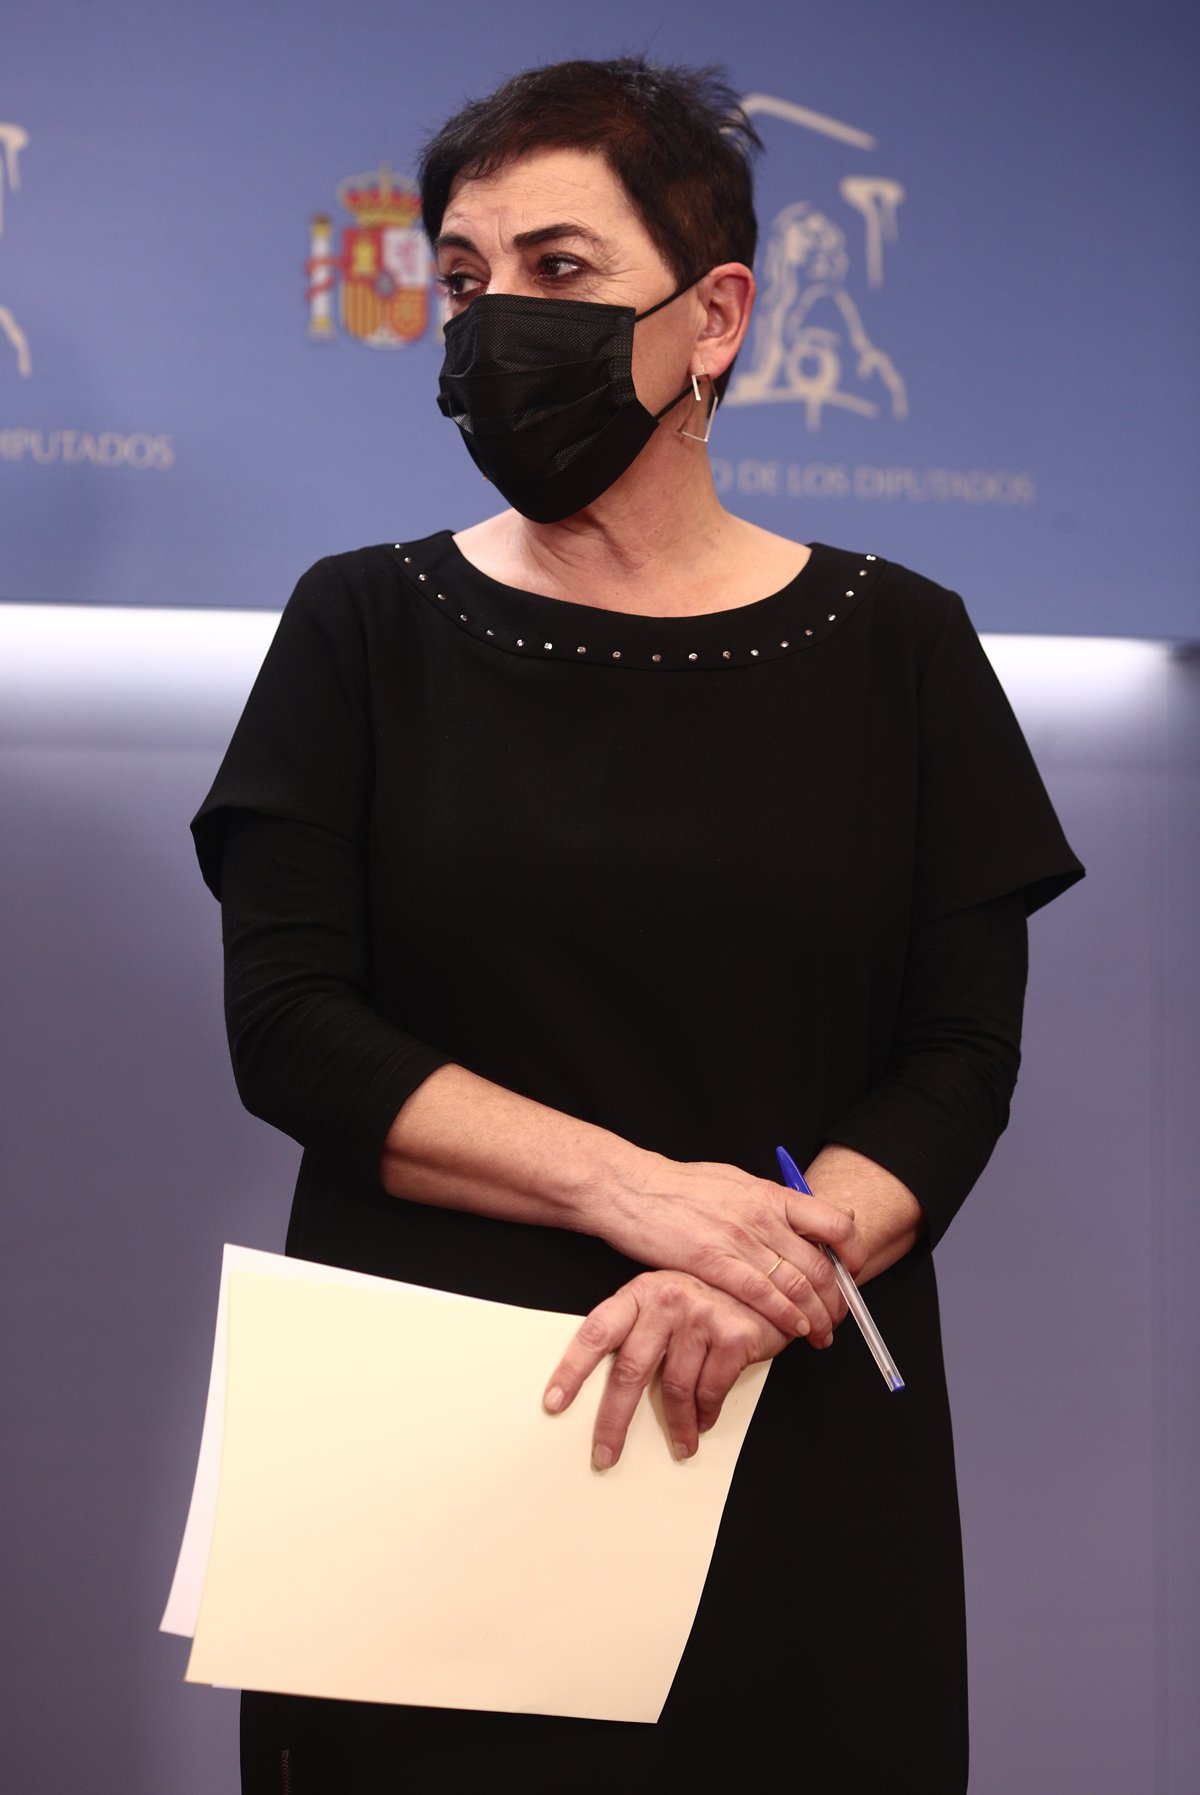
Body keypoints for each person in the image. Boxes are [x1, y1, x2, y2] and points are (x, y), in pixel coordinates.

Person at [193, 56, 1083, 1793]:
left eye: (559, 268)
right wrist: (644, 1196)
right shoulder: (362, 625)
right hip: (421, 1446)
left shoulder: (904, 646)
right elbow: (292, 1026)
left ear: (716, 316)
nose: (494, 323)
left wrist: (762, 1273)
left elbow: (959, 1058)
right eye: (465, 280)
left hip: (782, 1407)